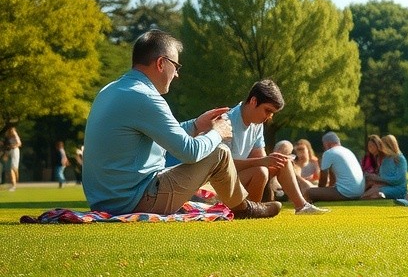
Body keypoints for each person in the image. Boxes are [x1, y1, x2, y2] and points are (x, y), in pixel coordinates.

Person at [82, 30, 281, 219]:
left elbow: (165, 140)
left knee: (213, 151)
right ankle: (244, 208)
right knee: (219, 153)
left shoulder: (112, 90)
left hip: (104, 201)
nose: (176, 74)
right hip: (134, 201)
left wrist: (196, 125)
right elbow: (189, 152)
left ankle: (242, 205)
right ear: (161, 63)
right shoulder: (146, 97)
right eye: (176, 67)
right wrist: (217, 132)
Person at [211, 80, 329, 216]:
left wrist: (273, 160)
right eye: (267, 110)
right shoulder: (226, 121)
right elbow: (221, 166)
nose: (269, 117)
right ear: (253, 101)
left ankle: (301, 206)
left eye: (272, 113)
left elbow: (260, 158)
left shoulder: (256, 124)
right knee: (260, 171)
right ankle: (249, 212)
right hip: (220, 184)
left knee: (281, 162)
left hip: (237, 178)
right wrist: (262, 162)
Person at [299, 132, 365, 203]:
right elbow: (332, 176)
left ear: (327, 143)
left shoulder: (329, 153)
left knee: (309, 192)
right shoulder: (348, 151)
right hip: (360, 192)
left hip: (346, 192)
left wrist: (319, 192)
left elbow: (323, 179)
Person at [362, 134, 408, 200]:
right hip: (385, 186)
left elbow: (398, 180)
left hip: (397, 188)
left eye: (382, 145)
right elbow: (383, 175)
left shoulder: (399, 159)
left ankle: (375, 196)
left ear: (389, 146)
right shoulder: (385, 159)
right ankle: (358, 195)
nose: (381, 148)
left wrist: (379, 179)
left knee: (375, 192)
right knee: (369, 185)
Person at [2, 125, 21, 190]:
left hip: (15, 150)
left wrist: (14, 146)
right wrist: (6, 154)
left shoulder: (15, 134)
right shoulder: (7, 136)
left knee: (14, 169)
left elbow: (19, 143)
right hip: (10, 151)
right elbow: (6, 145)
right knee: (11, 169)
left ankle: (15, 181)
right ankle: (13, 185)